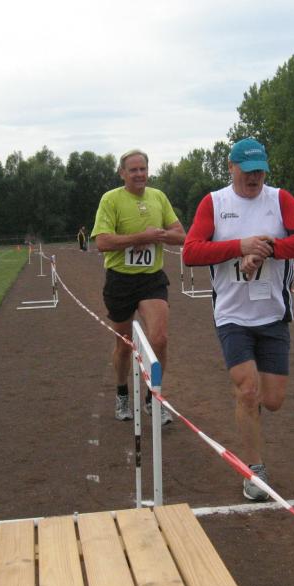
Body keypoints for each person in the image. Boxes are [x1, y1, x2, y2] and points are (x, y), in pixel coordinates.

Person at [182, 138, 294, 501]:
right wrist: (240, 246)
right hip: (232, 314)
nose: (255, 177)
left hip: (272, 313)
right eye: (247, 170)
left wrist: (268, 248)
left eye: (260, 170)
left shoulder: (280, 200)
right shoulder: (215, 203)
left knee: (272, 400)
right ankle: (254, 469)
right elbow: (191, 252)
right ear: (231, 168)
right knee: (247, 390)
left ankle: (252, 408)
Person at [90, 149, 186, 425]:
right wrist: (139, 238)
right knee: (124, 345)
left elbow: (181, 235)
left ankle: (152, 398)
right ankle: (122, 393)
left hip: (151, 279)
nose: (139, 174)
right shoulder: (111, 199)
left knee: (160, 338)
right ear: (122, 173)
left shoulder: (158, 197)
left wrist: (159, 236)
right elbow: (102, 242)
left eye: (143, 169)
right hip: (120, 280)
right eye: (133, 170)